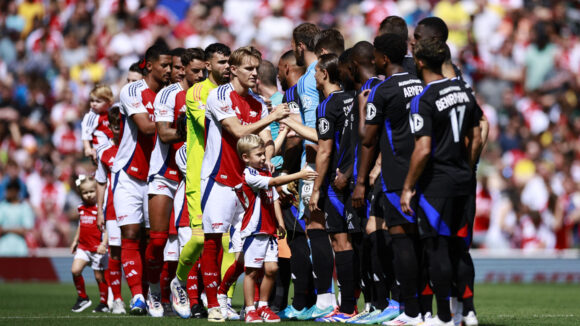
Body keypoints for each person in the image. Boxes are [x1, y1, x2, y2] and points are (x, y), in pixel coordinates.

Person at [199, 46, 289, 322]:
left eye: (257, 68)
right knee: (214, 241)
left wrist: (268, 158)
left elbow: (266, 140)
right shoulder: (219, 95)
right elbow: (237, 131)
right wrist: (274, 117)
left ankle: (226, 294)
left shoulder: (259, 103)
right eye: (249, 68)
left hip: (249, 187)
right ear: (234, 70)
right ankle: (212, 302)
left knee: (250, 252)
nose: (255, 73)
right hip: (221, 180)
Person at [400, 37, 482, 326]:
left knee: (437, 247)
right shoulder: (463, 90)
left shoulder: (424, 98)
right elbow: (477, 136)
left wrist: (408, 186)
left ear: (420, 63)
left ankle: (445, 317)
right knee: (459, 247)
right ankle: (466, 313)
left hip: (437, 184)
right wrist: (466, 166)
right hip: (463, 180)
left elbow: (422, 149)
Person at [353, 33, 425, 325]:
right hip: (424, 172)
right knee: (423, 242)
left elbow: (368, 140)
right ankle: (426, 308)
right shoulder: (420, 83)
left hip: (396, 175)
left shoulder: (383, 91)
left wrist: (360, 182)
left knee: (402, 242)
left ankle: (408, 310)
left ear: (382, 58)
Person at [170, 43, 232, 318]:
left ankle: (222, 301)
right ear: (208, 65)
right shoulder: (197, 93)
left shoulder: (232, 92)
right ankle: (179, 280)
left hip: (229, 174)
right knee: (198, 239)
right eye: (221, 62)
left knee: (228, 242)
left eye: (230, 62)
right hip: (200, 176)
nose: (227, 66)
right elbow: (217, 125)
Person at [111, 42, 172, 315]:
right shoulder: (132, 90)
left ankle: (152, 293)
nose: (170, 70)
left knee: (154, 240)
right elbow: (147, 128)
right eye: (165, 65)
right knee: (132, 234)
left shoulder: (172, 94)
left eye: (172, 65)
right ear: (149, 66)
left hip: (158, 175)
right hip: (129, 174)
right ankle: (136, 295)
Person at [146, 47, 206, 318]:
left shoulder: (207, 92)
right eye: (192, 70)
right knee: (158, 241)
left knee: (189, 240)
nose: (198, 75)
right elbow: (163, 133)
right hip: (164, 173)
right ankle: (153, 292)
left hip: (190, 175)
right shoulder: (168, 94)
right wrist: (185, 127)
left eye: (202, 71)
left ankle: (187, 294)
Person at [236, 134, 317, 323]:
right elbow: (273, 184)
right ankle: (249, 310)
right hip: (255, 230)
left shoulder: (264, 171)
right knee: (252, 271)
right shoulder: (250, 174)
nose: (263, 158)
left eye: (264, 154)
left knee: (271, 269)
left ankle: (263, 306)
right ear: (246, 158)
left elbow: (273, 199)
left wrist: (280, 222)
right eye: (259, 155)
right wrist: (299, 175)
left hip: (270, 229)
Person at [307, 53, 356, 322]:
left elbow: (324, 152)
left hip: (335, 184)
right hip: (355, 177)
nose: (313, 76)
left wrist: (316, 189)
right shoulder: (355, 98)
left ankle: (347, 307)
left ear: (325, 74)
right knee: (358, 242)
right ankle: (366, 303)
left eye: (315, 71)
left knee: (340, 241)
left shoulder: (327, 106)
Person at [95, 105, 126, 314]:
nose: (117, 130)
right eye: (113, 126)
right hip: (113, 209)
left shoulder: (139, 147)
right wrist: (99, 211)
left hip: (138, 208)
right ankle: (117, 299)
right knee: (115, 252)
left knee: (140, 250)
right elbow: (100, 182)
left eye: (120, 126)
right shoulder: (104, 152)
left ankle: (144, 296)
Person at [70, 176, 109, 313]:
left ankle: (104, 303)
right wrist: (75, 241)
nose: (88, 195)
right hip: (84, 247)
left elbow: (108, 228)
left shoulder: (101, 208)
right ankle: (83, 297)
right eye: (85, 193)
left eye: (91, 191)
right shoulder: (81, 207)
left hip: (97, 248)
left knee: (99, 277)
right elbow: (82, 225)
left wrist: (104, 244)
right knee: (75, 270)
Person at [0, 178, 34, 257]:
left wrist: (6, 229)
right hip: (3, 250)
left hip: (20, 250)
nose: (6, 193)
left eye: (9, 190)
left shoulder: (25, 207)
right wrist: (18, 229)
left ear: (16, 191)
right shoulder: (2, 206)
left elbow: (26, 230)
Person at [81, 84, 114, 162]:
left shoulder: (110, 113)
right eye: (92, 101)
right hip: (100, 150)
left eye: (98, 101)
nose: (94, 104)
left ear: (108, 102)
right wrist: (87, 148)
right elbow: (86, 133)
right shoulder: (92, 116)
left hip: (112, 148)